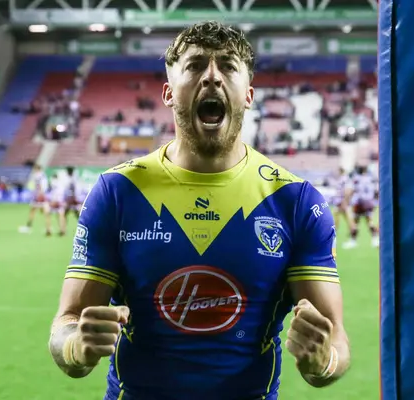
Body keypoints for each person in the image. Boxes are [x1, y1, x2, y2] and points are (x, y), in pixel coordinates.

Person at [48, 21, 350, 400]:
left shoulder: (296, 201)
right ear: (168, 93)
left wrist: (323, 360)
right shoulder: (118, 192)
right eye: (194, 66)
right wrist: (76, 346)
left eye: (227, 65)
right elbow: (67, 322)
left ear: (249, 94)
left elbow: (335, 339)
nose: (211, 77)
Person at [343, 164, 379, 248]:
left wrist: (347, 201)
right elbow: (376, 191)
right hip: (369, 202)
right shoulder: (370, 178)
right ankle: (375, 239)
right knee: (370, 221)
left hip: (359, 202)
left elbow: (350, 190)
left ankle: (353, 241)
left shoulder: (356, 178)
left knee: (355, 222)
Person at [19, 165, 51, 235]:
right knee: (45, 213)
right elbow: (44, 186)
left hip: (38, 196)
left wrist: (38, 194)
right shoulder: (42, 176)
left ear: (37, 169)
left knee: (33, 211)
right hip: (41, 196)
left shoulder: (37, 176)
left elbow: (37, 186)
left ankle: (29, 226)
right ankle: (48, 228)